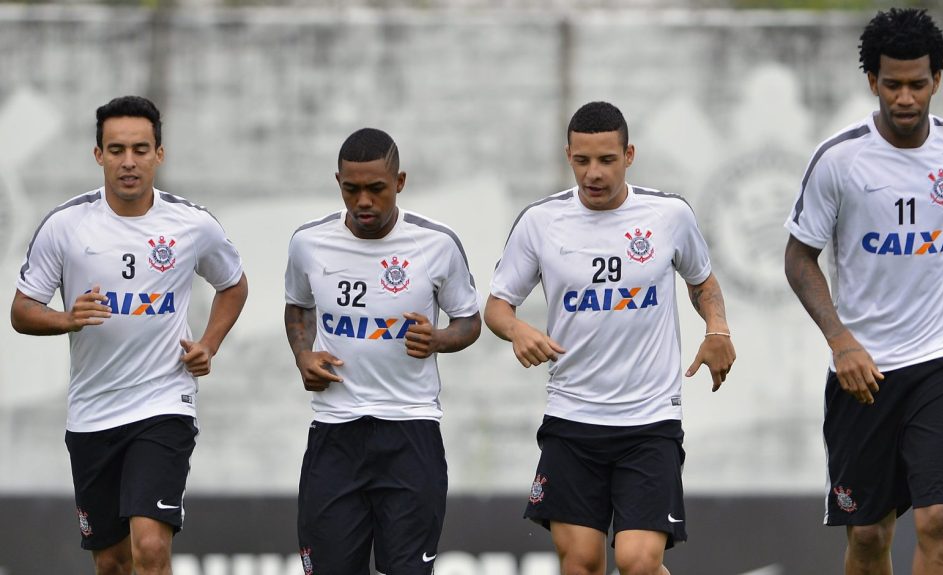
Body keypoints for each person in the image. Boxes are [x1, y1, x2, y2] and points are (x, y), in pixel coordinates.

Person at [784, 8, 943, 575]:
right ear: (872, 82)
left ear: (937, 79)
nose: (905, 97)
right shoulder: (840, 160)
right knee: (868, 533)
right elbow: (799, 258)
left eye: (917, 83)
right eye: (893, 84)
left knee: (940, 518)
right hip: (863, 370)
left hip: (942, 359)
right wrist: (841, 342)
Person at [484, 101, 736, 575]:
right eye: (582, 161)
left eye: (606, 160)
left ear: (629, 155)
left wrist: (717, 328)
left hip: (650, 420)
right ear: (568, 156)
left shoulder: (668, 215)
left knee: (639, 563)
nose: (593, 173)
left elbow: (702, 281)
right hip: (572, 418)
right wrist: (517, 330)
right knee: (581, 562)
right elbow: (497, 306)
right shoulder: (541, 222)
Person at [10, 95, 248, 575]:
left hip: (163, 404)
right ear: (98, 155)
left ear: (160, 153)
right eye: (116, 150)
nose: (129, 162)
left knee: (150, 546)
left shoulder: (192, 225)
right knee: (113, 562)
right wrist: (67, 319)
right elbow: (22, 310)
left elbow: (233, 285)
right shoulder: (65, 226)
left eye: (141, 149)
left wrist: (208, 344)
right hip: (92, 412)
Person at [284, 127, 481, 574]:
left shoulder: (436, 245)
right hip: (336, 432)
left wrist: (439, 340)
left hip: (410, 431)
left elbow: (469, 321)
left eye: (376, 189)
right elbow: (298, 307)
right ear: (338, 183)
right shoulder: (309, 243)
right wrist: (303, 356)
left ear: (400, 182)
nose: (364, 202)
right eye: (352, 190)